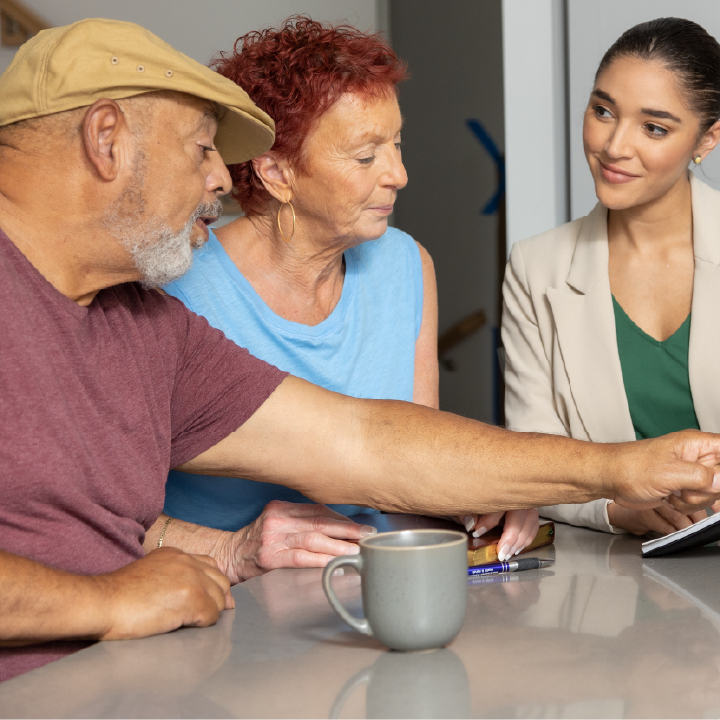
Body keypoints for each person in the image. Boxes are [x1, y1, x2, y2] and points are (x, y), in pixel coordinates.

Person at [1, 18, 720, 683]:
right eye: (200, 149)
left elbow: (366, 440)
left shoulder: (145, 323)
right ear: (107, 140)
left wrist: (618, 465)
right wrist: (110, 599)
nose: (224, 178)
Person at [157, 17, 538, 562]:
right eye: (366, 156)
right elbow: (110, 515)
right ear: (277, 173)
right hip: (225, 601)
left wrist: (483, 493)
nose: (399, 174)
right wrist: (231, 551)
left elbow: (413, 469)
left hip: (370, 585)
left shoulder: (405, 264)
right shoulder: (178, 283)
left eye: (396, 144)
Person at [502, 17, 720, 535]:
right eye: (603, 111)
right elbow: (532, 463)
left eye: (654, 128)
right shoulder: (536, 268)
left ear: (707, 139)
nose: (615, 146)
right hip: (615, 584)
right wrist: (619, 509)